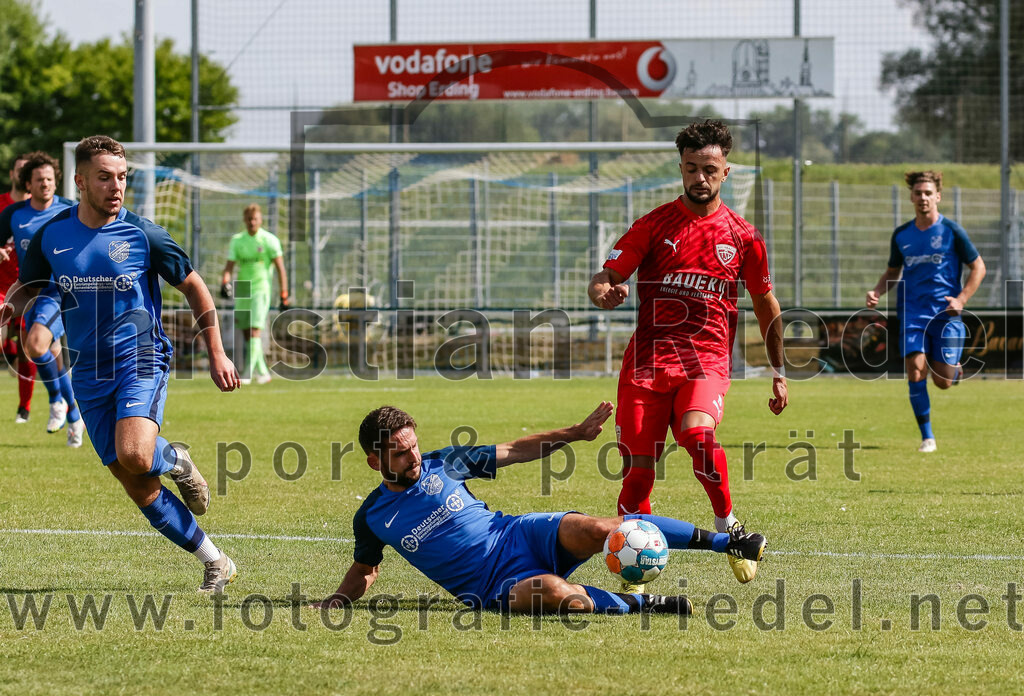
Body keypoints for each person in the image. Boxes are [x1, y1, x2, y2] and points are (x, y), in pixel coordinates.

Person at [0, 135, 241, 594]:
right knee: (135, 483)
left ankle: (174, 458)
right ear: (81, 180)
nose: (116, 187)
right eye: (105, 177)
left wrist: (216, 351)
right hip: (87, 371)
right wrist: (13, 305)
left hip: (141, 356)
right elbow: (31, 285)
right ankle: (216, 561)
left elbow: (194, 286)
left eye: (122, 177)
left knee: (135, 454)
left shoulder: (143, 233)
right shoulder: (54, 234)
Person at [312, 402, 767, 615]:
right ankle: (640, 604)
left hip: (518, 534)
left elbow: (514, 449)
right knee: (555, 593)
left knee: (600, 527)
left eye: (414, 446)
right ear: (374, 461)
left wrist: (574, 432)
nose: (413, 458)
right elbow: (364, 570)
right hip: (490, 585)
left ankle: (731, 541)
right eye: (399, 453)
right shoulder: (373, 516)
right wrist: (335, 600)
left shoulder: (444, 462)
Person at [587, 119, 787, 588]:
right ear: (680, 167)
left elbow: (765, 304)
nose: (701, 178)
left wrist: (779, 370)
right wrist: (602, 292)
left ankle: (727, 524)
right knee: (637, 472)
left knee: (698, 438)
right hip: (646, 366)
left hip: (706, 361)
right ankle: (635, 563)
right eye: (692, 168)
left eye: (710, 169)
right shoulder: (654, 225)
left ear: (726, 171)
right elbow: (605, 278)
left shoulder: (743, 237)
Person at [866, 171, 985, 453]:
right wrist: (878, 290)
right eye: (918, 193)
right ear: (911, 197)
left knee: (942, 381)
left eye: (928, 193)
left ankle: (954, 373)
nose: (923, 198)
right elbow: (893, 272)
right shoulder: (902, 235)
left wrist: (962, 299)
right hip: (912, 313)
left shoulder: (952, 231)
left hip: (946, 315)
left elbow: (978, 266)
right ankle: (927, 437)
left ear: (938, 197)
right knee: (916, 369)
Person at [0, 151, 84, 444]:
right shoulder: (14, 214)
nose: (46, 184)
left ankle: (61, 404)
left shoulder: (70, 210)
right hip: (28, 293)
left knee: (35, 346)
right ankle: (71, 411)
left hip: (58, 292)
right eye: (39, 180)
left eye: (50, 179)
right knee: (37, 350)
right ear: (29, 183)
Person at [220, 203, 289, 385]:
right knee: (246, 333)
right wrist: (225, 282)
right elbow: (229, 267)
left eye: (255, 219)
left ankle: (247, 373)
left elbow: (281, 269)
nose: (252, 222)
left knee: (255, 330)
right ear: (245, 220)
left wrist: (284, 293)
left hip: (260, 288)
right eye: (249, 219)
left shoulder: (269, 240)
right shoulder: (237, 240)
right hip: (243, 288)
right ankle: (264, 373)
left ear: (260, 220)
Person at [0, 153, 36, 424]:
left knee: (27, 349)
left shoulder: (41, 210)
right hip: (1, 287)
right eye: (20, 171)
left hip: (30, 288)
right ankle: (7, 347)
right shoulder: (2, 206)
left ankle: (24, 407)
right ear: (13, 174)